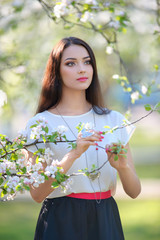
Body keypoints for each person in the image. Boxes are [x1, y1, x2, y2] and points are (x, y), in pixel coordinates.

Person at [26, 37, 141, 240]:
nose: (82, 69)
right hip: (60, 221)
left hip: (106, 219)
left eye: (87, 62)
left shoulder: (114, 120)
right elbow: (37, 194)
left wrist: (122, 167)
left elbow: (134, 191)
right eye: (71, 63)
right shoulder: (39, 124)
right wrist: (73, 154)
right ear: (56, 71)